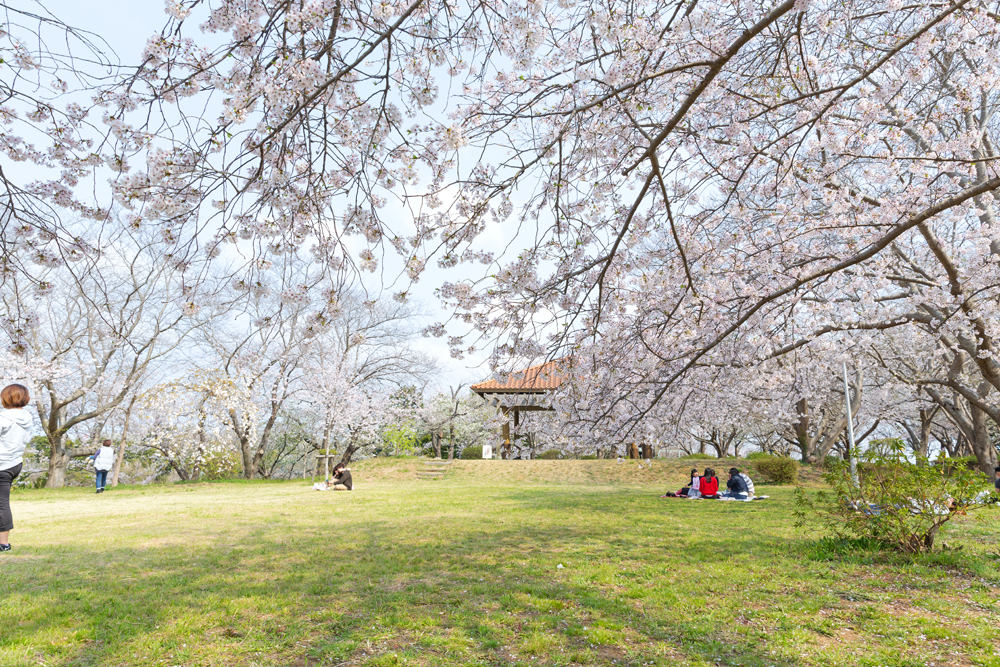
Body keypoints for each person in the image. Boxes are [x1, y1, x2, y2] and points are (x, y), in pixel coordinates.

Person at [0, 384, 33, 553]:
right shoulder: (27, 417)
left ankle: (4, 543)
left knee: (2, 504)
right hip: (14, 463)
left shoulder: (3, 418)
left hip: (2, 465)